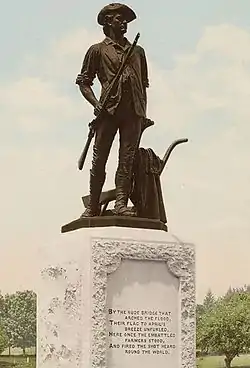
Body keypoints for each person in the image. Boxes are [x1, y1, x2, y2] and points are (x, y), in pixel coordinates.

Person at [75, 3, 149, 217]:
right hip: (108, 111)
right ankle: (92, 206)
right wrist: (96, 104)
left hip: (133, 112)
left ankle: (120, 205)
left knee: (126, 161)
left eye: (125, 19)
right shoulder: (97, 50)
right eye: (119, 18)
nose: (124, 22)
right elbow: (84, 82)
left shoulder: (138, 51)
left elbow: (143, 85)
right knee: (99, 160)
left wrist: (143, 114)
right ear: (108, 22)